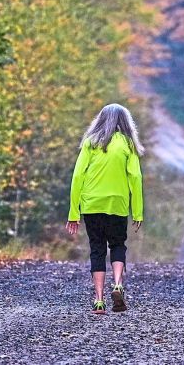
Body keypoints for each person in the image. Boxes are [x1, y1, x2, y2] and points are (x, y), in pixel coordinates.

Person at [66, 103, 145, 314]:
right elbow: (135, 178)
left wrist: (74, 213)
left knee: (97, 248)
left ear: (100, 120)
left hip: (92, 203)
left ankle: (99, 300)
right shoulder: (128, 144)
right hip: (117, 203)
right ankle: (118, 284)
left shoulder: (91, 142)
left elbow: (77, 176)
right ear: (125, 122)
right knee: (118, 244)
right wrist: (137, 211)